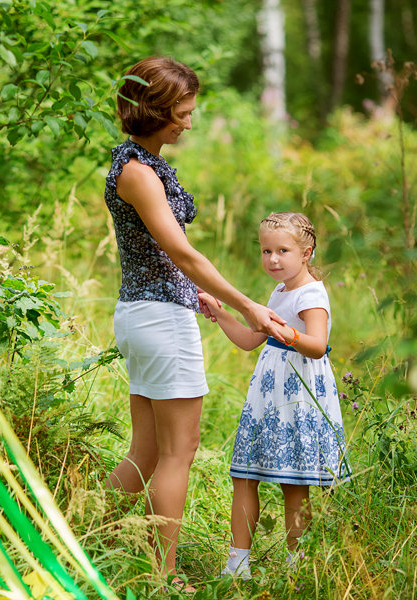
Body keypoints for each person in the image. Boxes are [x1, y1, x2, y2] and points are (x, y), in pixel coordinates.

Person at [103, 56, 287, 589]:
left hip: (148, 312)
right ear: (154, 110)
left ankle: (93, 533)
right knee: (178, 454)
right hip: (158, 320)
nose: (189, 122)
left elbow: (159, 255)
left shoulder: (138, 162)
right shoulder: (137, 172)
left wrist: (197, 292)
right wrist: (249, 306)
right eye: (181, 113)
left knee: (147, 451)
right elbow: (181, 252)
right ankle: (165, 575)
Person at [198, 212, 352, 580]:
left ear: (307, 252)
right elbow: (252, 340)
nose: (273, 259)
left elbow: (317, 345)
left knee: (294, 483)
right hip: (268, 396)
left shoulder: (311, 293)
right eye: (266, 251)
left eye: (283, 250)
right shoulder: (278, 292)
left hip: (298, 393)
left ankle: (297, 565)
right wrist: (222, 315)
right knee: (244, 475)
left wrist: (285, 332)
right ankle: (237, 565)